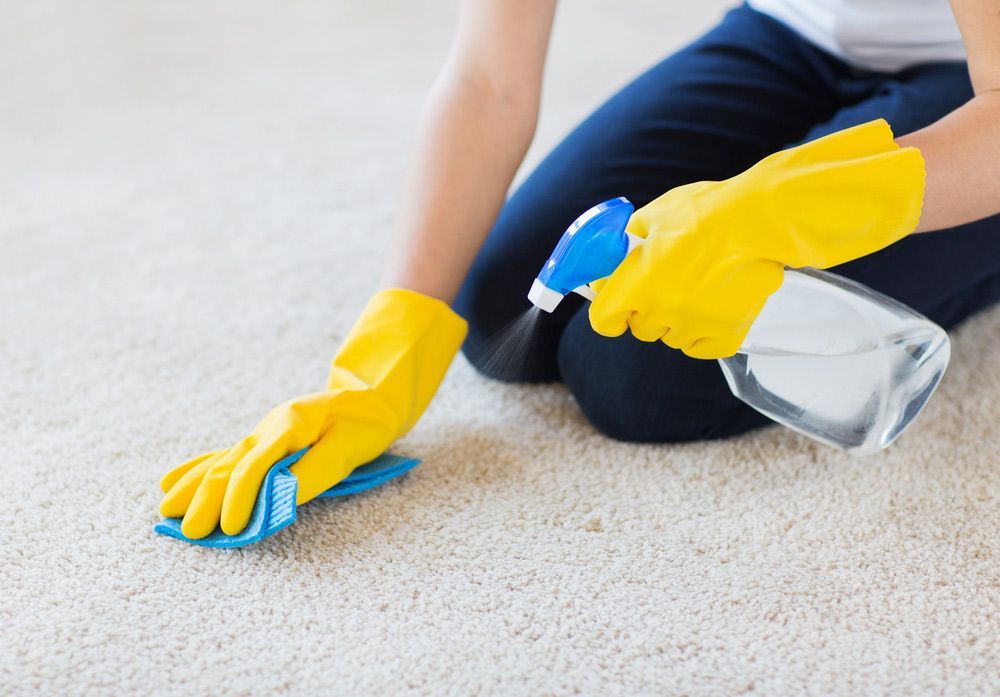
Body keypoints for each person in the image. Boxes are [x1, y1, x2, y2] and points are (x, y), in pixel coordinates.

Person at [159, 0, 1000, 539]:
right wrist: (384, 347)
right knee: (503, 312)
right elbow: (489, 80)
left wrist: (774, 207)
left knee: (640, 373)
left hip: (977, 83)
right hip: (791, 27)